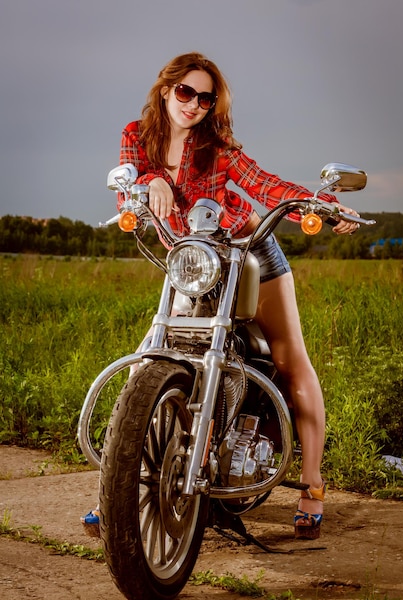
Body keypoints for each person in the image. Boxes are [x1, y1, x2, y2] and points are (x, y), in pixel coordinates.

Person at [82, 51, 360, 540]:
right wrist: (149, 182)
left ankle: (312, 486)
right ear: (167, 90)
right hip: (191, 261)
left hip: (248, 250)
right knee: (150, 361)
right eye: (186, 92)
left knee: (290, 357)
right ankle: (118, 493)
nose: (194, 104)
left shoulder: (217, 146)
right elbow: (126, 182)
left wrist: (323, 205)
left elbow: (263, 184)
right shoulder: (137, 134)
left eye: (205, 98)